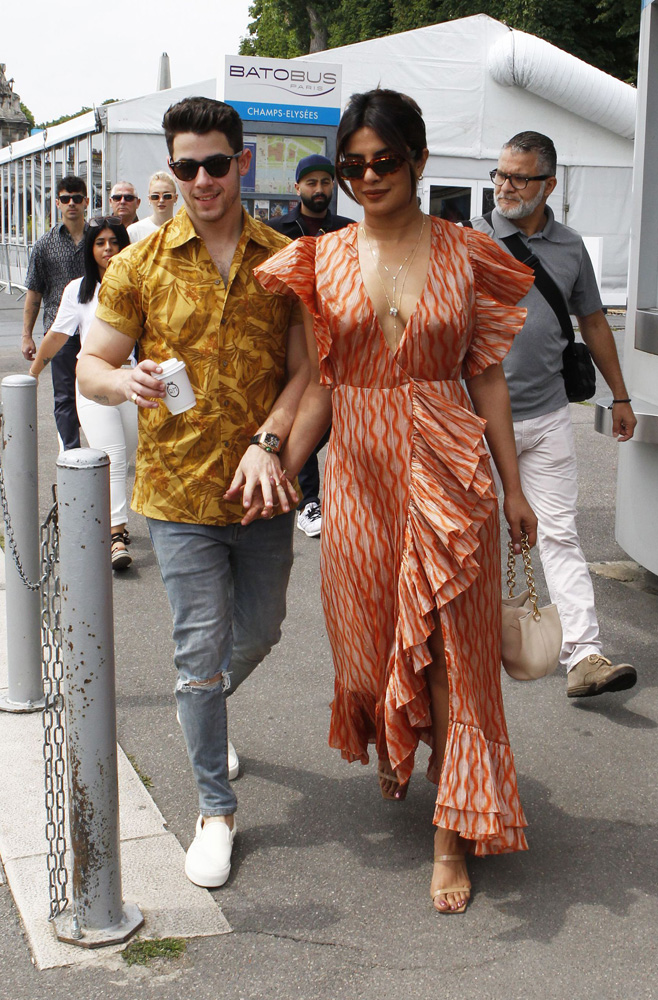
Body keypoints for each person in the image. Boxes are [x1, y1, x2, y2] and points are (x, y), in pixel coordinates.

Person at [246, 89, 538, 914]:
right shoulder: (324, 258)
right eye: (353, 165)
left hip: (451, 465)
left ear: (417, 161)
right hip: (363, 473)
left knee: (453, 652)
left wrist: (515, 487)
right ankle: (422, 767)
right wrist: (278, 469)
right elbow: (321, 389)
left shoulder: (467, 250)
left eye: (385, 161)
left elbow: (486, 375)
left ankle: (452, 835)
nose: (368, 177)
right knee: (376, 640)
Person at [77, 96, 308, 890]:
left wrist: (271, 439)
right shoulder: (138, 263)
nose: (202, 180)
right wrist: (123, 379)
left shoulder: (284, 259)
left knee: (265, 627)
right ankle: (216, 808)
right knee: (196, 652)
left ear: (242, 162)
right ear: (170, 172)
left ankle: (202, 703)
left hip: (261, 491)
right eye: (186, 166)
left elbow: (307, 373)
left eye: (216, 163)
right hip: (175, 496)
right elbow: (89, 366)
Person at [469, 131, 638, 699]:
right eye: (500, 174)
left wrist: (619, 395)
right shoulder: (469, 240)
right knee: (468, 538)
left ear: (549, 184)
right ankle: (462, 655)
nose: (505, 187)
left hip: (546, 418)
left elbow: (592, 322)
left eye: (519, 177)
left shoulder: (570, 248)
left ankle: (584, 655)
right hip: (473, 421)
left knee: (560, 534)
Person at [28, 217, 137, 570]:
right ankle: (117, 535)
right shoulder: (78, 289)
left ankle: (91, 507)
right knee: (115, 455)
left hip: (133, 381)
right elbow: (58, 335)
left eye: (114, 242)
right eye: (100, 243)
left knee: (130, 449)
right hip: (93, 381)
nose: (108, 249)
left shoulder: (140, 284)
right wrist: (33, 374)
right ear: (91, 250)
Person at [269, 154, 354, 538]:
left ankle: (332, 494)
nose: (319, 190)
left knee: (338, 418)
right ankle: (309, 500)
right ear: (297, 187)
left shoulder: (348, 231)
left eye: (325, 182)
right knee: (303, 407)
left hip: (340, 338)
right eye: (311, 183)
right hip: (292, 335)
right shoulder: (276, 231)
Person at [21, 174, 89, 450]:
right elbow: (34, 292)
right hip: (58, 330)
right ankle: (70, 451)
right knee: (64, 395)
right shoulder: (44, 245)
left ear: (86, 202)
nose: (71, 203)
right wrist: (27, 335)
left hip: (94, 328)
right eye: (65, 199)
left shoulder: (99, 239)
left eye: (76, 198)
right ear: (57, 203)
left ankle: (102, 447)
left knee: (94, 392)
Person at [128, 171, 178, 242]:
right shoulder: (134, 231)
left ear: (175, 198)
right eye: (155, 196)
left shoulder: (184, 230)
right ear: (149, 199)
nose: (161, 200)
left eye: (167, 196)